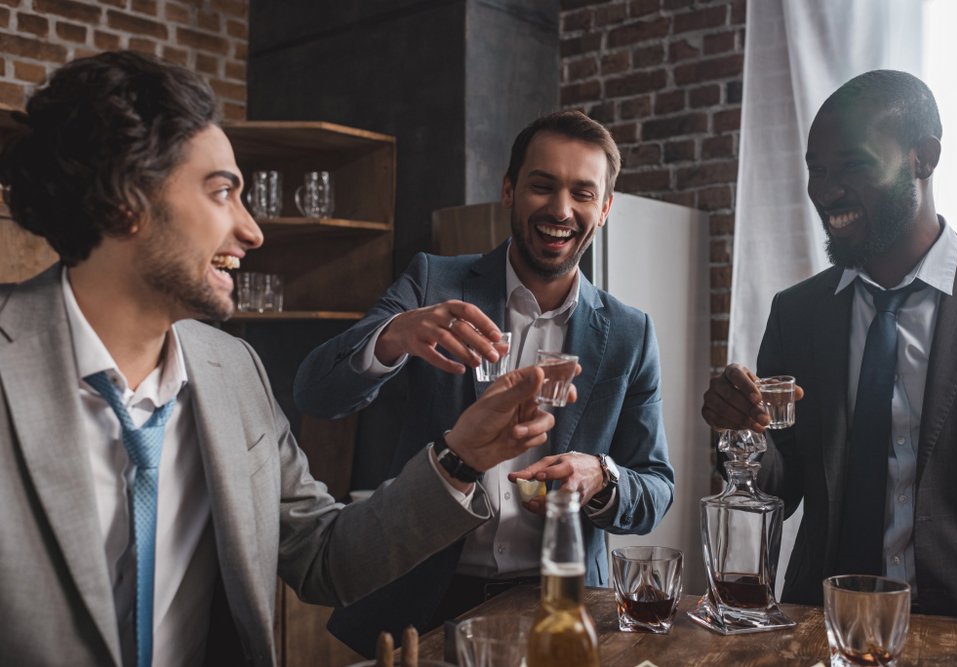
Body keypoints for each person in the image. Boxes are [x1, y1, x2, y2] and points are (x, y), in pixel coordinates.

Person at [0, 51, 560, 667]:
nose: (252, 230)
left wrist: (463, 458)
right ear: (124, 202)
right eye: (222, 193)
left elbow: (324, 559)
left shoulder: (232, 370)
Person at [295, 110, 674, 653]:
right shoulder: (432, 280)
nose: (561, 209)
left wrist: (601, 476)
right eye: (542, 185)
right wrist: (395, 335)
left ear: (605, 208)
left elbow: (657, 486)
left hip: (559, 606)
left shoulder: (631, 333)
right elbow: (316, 392)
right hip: (422, 600)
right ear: (509, 190)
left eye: (583, 193)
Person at [701, 69, 957, 618]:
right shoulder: (797, 313)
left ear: (924, 158)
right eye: (816, 170)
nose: (826, 191)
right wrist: (738, 432)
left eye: (853, 166)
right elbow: (779, 489)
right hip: (820, 624)